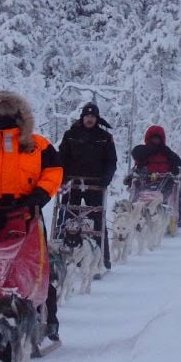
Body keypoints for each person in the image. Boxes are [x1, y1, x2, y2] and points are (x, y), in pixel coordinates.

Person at [0, 90, 64, 340]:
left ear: (20, 116)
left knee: (34, 266)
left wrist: (39, 195)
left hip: (27, 214)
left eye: (9, 114)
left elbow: (54, 171)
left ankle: (48, 314)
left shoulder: (38, 145)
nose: (3, 119)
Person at [58, 101, 117, 270]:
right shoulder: (70, 134)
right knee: (66, 218)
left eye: (93, 117)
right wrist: (61, 178)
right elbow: (61, 158)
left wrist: (106, 179)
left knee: (97, 220)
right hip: (72, 183)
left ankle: (102, 261)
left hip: (96, 184)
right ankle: (63, 257)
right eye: (87, 116)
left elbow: (111, 161)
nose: (89, 119)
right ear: (82, 117)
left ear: (97, 119)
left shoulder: (105, 137)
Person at [128, 125, 181, 226]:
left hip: (165, 181)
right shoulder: (143, 150)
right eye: (153, 138)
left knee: (174, 189)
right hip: (145, 180)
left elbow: (179, 165)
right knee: (137, 191)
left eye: (157, 138)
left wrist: (176, 170)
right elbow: (135, 154)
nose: (155, 141)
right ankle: (133, 213)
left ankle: (174, 217)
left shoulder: (167, 152)